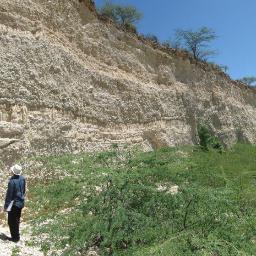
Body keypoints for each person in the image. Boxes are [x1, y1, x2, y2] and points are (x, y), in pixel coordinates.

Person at [4, 164, 26, 242]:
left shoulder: (12, 182)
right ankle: (17, 236)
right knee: (17, 220)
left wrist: (6, 207)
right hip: (21, 202)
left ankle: (15, 238)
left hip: (14, 204)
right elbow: (23, 190)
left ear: (13, 172)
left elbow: (9, 196)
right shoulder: (23, 178)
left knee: (11, 221)